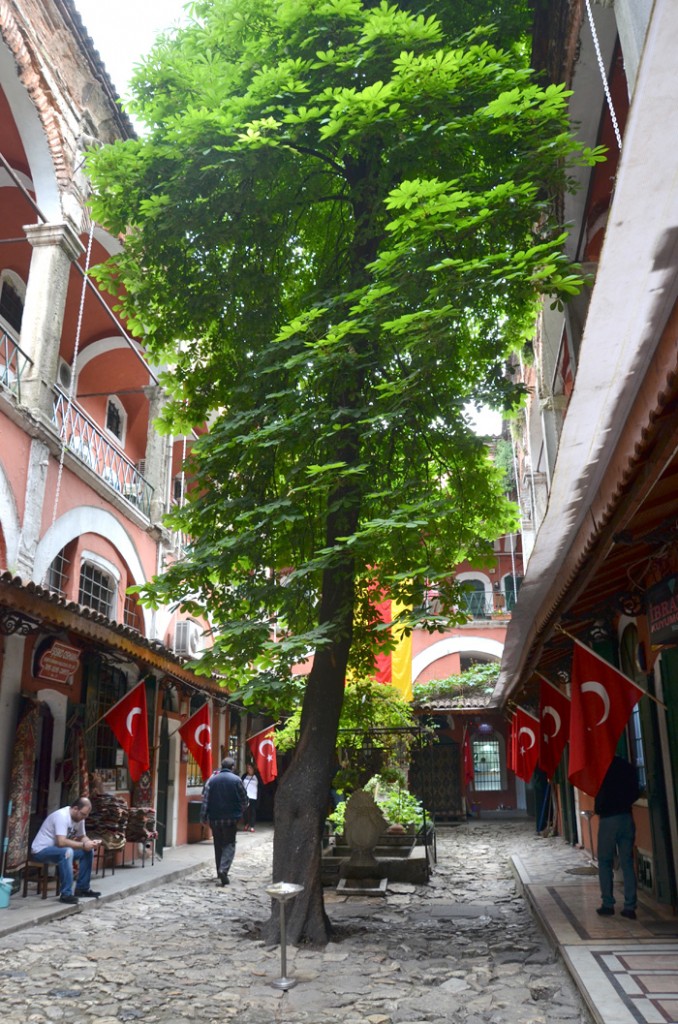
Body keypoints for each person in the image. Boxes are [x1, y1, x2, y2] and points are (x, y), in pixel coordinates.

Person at [30, 796, 102, 904]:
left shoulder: (79, 818)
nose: (84, 817)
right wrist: (83, 845)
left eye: (86, 815)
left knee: (88, 851)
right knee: (67, 851)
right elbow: (61, 842)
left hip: (58, 850)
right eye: (83, 814)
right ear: (75, 808)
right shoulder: (62, 816)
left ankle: (82, 889)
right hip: (41, 851)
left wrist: (90, 843)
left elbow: (82, 836)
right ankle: (66, 894)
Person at [594, 755, 641, 919]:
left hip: (609, 818)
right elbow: (636, 791)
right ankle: (630, 906)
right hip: (626, 817)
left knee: (605, 861)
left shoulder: (601, 767)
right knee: (627, 862)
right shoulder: (627, 766)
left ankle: (608, 903)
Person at [200, 756, 248, 885]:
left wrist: (203, 817)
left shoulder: (212, 780)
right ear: (232, 767)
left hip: (215, 819)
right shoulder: (237, 780)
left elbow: (205, 800)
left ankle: (219, 871)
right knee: (229, 844)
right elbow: (245, 800)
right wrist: (240, 811)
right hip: (231, 819)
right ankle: (223, 869)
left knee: (218, 844)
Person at [241, 763, 259, 832]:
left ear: (253, 769)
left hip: (253, 796)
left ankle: (252, 826)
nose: (249, 769)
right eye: (247, 767)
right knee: (245, 811)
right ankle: (247, 823)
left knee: (252, 811)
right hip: (245, 796)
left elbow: (260, 786)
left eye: (250, 768)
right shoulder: (244, 776)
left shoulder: (256, 776)